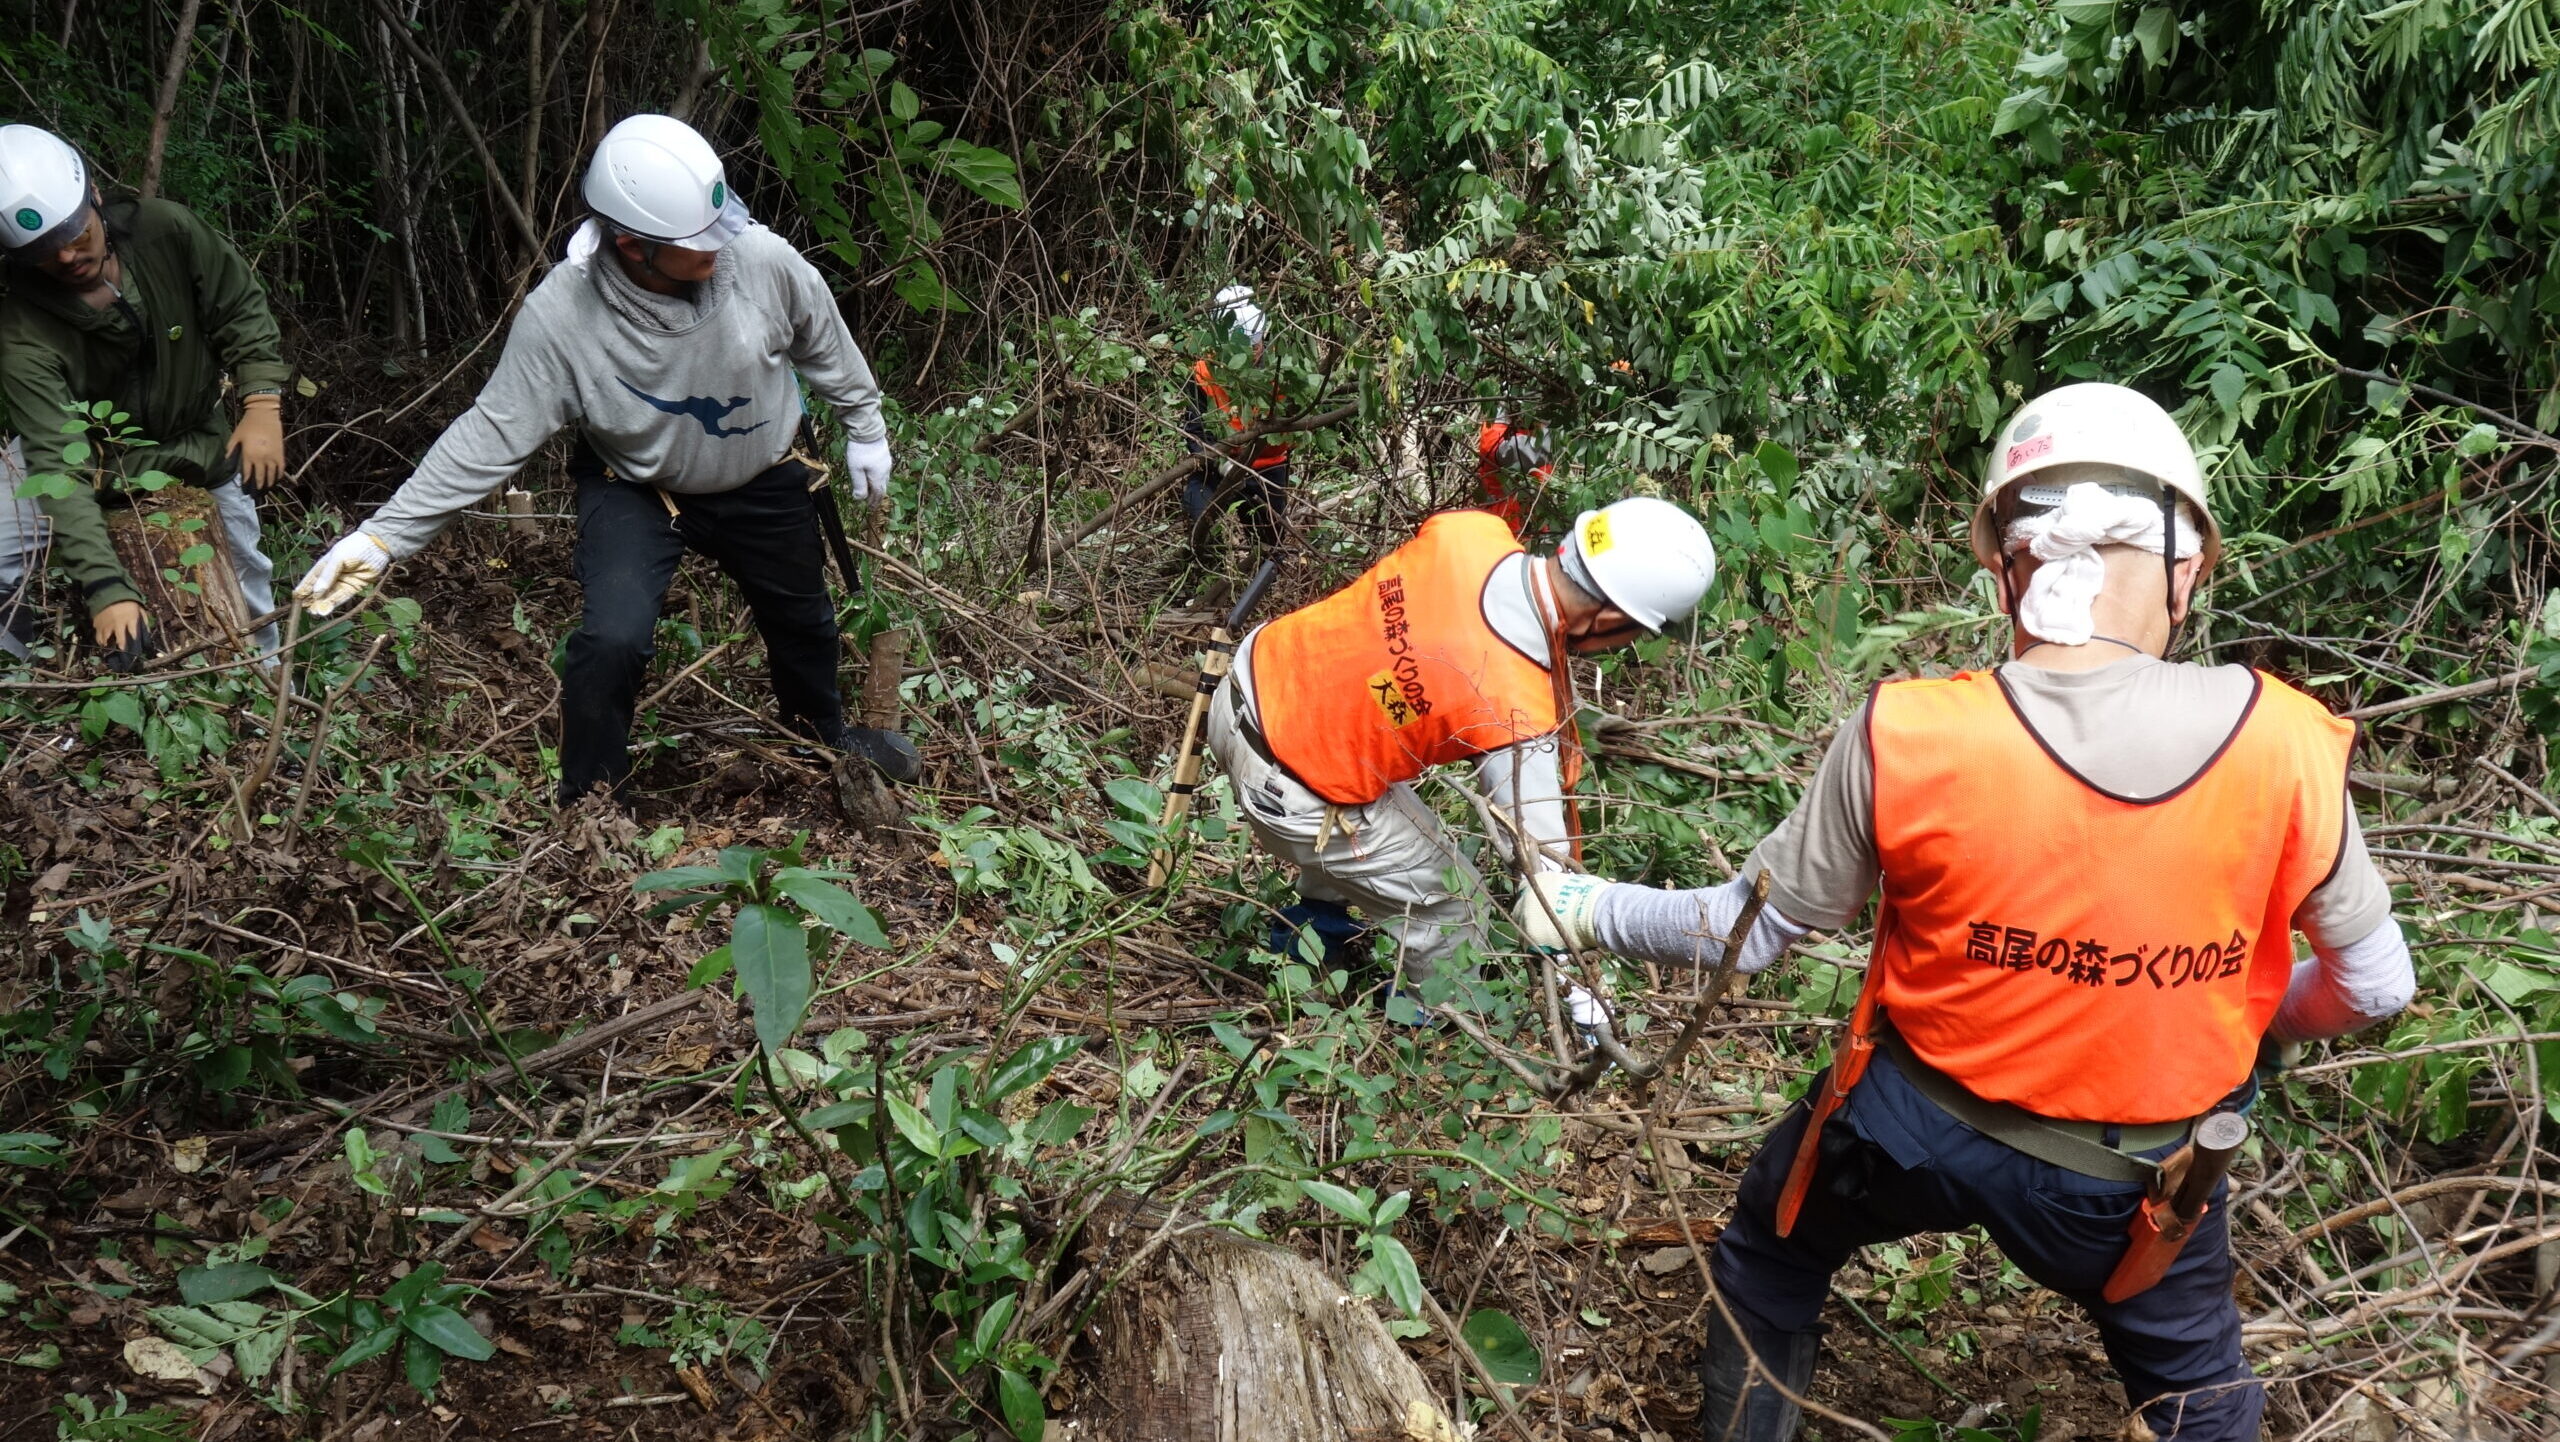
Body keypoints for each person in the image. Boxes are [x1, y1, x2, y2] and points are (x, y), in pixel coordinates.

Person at [1520, 384, 2416, 1440]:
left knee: (1771, 1244)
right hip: (2135, 1179)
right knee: (2199, 1395)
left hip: (1913, 1128)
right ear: (2183, 567)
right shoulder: (2286, 742)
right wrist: (2247, 1011)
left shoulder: (1910, 729)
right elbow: (2376, 985)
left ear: (2005, 565)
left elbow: (1742, 932)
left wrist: (1578, 904)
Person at [294, 114, 918, 801]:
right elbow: (492, 432)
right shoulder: (562, 317)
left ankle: (818, 736)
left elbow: (822, 340)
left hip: (760, 472)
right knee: (612, 639)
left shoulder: (760, 261)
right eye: (696, 242)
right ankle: (591, 800)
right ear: (633, 244)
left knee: (804, 620)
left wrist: (865, 424)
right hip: (637, 487)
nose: (719, 247)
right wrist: (384, 536)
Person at [1209, 497, 1715, 987]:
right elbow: (1546, 870)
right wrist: (1579, 950)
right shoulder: (1514, 710)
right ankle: (1429, 1031)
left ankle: (1310, 937)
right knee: (1455, 905)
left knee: (1379, 809)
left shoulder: (1470, 533)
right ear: (1608, 619)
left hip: (1246, 686)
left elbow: (1456, 634)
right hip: (1291, 795)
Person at [0, 123, 287, 668]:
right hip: (77, 450)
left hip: (193, 438)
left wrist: (263, 403)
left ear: (97, 200)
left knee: (247, 569)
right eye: (42, 252)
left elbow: (240, 308)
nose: (65, 258)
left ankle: (269, 688)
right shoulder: (21, 329)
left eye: (77, 235)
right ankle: (23, 690)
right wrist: (106, 585)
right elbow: (56, 458)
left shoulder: (167, 233)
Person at [1183, 285, 1291, 548]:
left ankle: (1265, 567)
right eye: (1246, 345)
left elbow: (1294, 426)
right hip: (1219, 466)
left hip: (1268, 465)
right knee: (1198, 513)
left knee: (1269, 542)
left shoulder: (1283, 371)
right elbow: (1194, 429)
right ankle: (1207, 560)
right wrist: (1220, 460)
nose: (1254, 351)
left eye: (1256, 343)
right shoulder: (1203, 371)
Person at [1474, 413, 1551, 536]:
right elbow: (1538, 451)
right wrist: (1558, 434)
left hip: (1535, 526)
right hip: (1503, 528)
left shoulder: (1531, 428)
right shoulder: (1495, 434)